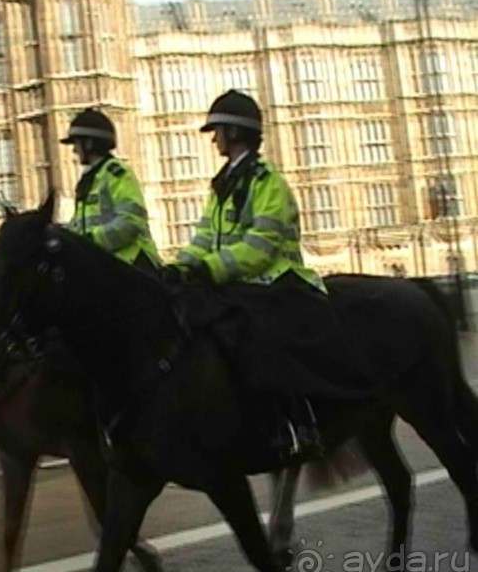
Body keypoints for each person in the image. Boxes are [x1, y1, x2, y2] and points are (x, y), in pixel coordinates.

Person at [163, 90, 355, 461]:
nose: (214, 138)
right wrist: (181, 265)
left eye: (217, 130)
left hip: (276, 280)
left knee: (261, 336)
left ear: (234, 134)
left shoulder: (269, 183)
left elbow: (261, 245)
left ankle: (299, 423)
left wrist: (211, 267)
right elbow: (205, 236)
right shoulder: (223, 185)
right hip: (237, 281)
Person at [61, 108, 161, 272]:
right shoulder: (90, 180)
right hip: (107, 267)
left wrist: (90, 241)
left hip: (133, 266)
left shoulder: (117, 173)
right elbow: (81, 226)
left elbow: (131, 222)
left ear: (89, 143)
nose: (74, 150)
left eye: (77, 143)